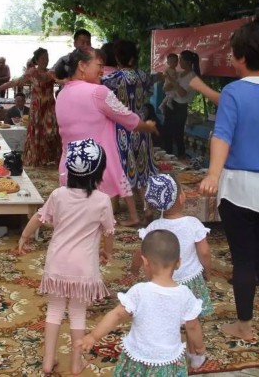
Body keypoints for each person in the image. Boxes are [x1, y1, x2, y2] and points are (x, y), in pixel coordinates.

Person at [198, 22, 259, 342]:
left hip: (240, 187)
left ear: (239, 58)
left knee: (243, 259)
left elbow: (222, 136)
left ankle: (244, 325)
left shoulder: (234, 92)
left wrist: (213, 174)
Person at [17, 139, 115, 376]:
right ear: (99, 171)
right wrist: (108, 252)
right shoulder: (102, 200)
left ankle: (48, 361)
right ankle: (76, 362)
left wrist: (24, 236)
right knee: (78, 313)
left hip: (57, 265)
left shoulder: (58, 195)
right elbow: (109, 232)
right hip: (84, 268)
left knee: (54, 310)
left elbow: (39, 218)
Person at [77, 229, 207, 375]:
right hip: (168, 360)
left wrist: (93, 336)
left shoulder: (139, 291)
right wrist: (199, 347)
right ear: (178, 263)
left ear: (145, 262)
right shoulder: (185, 294)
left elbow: (117, 315)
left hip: (138, 357)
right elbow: (193, 326)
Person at [55, 48, 159, 211]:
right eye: (99, 65)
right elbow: (129, 119)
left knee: (75, 216)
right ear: (82, 66)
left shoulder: (62, 94)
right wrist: (148, 126)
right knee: (95, 220)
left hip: (69, 168)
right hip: (97, 171)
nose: (103, 71)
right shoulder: (98, 92)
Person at [132, 174, 213, 329]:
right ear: (182, 197)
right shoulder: (193, 224)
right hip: (190, 279)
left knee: (163, 311)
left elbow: (140, 253)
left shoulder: (154, 227)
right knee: (190, 312)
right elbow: (204, 252)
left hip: (162, 279)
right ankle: (189, 326)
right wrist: (207, 271)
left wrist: (134, 269)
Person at [101, 40, 158, 226]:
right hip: (141, 127)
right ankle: (147, 208)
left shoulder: (112, 79)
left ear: (117, 58)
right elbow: (151, 88)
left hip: (121, 128)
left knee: (123, 170)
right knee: (142, 169)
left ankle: (131, 214)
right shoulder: (143, 76)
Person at [0, 48, 61, 166]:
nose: (46, 60)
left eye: (47, 57)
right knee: (36, 132)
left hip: (49, 107)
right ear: (37, 60)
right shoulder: (32, 72)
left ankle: (51, 158)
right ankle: (37, 159)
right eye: (43, 58)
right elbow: (15, 82)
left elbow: (54, 79)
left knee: (51, 131)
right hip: (37, 107)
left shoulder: (51, 72)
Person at [160, 49, 198, 158]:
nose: (178, 63)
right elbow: (166, 88)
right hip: (171, 104)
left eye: (180, 60)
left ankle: (181, 158)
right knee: (167, 133)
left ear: (188, 62)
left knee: (178, 135)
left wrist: (172, 81)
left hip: (180, 107)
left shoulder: (192, 76)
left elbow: (182, 93)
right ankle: (167, 157)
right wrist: (169, 82)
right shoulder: (179, 74)